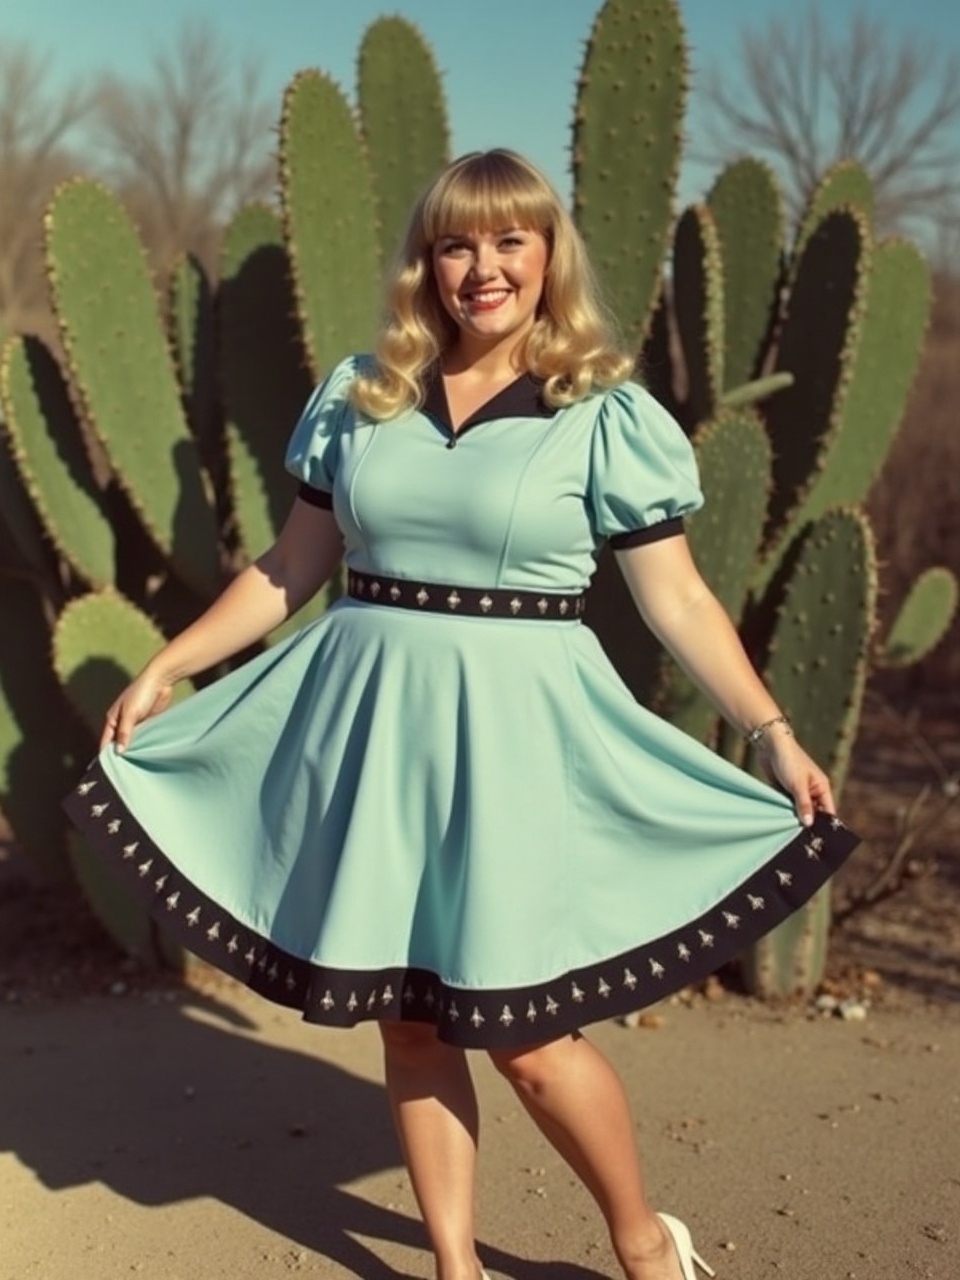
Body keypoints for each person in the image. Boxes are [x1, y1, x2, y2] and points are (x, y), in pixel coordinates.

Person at [65, 149, 857, 1280]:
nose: (482, 268)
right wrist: (169, 663)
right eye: (455, 244)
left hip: (516, 752)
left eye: (508, 241)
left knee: (529, 1037)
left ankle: (643, 1242)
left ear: (547, 256)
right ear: (425, 262)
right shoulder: (360, 393)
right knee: (412, 1020)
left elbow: (675, 595)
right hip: (376, 735)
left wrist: (771, 728)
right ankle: (453, 1266)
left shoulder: (603, 414)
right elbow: (293, 566)